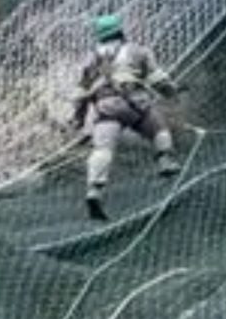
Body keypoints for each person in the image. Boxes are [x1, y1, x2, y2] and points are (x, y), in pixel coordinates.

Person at [72, 14, 181, 220]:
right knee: (158, 127)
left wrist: (78, 119)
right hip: (135, 105)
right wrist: (171, 92)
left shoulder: (90, 58)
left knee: (102, 149)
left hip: (105, 109)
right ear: (120, 31)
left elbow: (80, 94)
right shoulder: (137, 51)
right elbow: (157, 79)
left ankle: (94, 190)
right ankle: (165, 159)